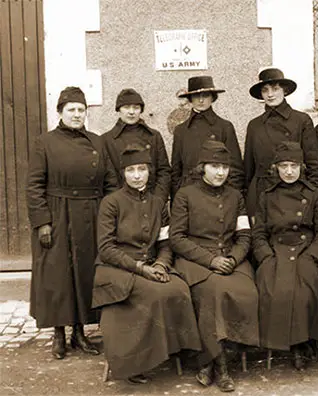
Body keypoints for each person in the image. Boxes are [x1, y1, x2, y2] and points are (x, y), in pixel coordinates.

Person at [92, 145, 201, 384]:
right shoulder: (111, 203)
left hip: (152, 265)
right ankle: (136, 361)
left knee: (179, 288)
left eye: (142, 169)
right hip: (117, 268)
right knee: (152, 294)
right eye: (131, 170)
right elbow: (106, 248)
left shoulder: (158, 203)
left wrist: (161, 265)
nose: (137, 175)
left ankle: (178, 351)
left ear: (150, 172)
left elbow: (165, 242)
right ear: (124, 173)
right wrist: (141, 269)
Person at [26, 86, 117, 360]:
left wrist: (107, 216)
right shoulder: (45, 142)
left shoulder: (97, 142)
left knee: (85, 274)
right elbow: (33, 186)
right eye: (71, 110)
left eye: (81, 110)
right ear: (60, 112)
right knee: (58, 276)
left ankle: (80, 332)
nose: (77, 115)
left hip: (90, 215)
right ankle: (58, 333)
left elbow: (111, 181)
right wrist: (43, 222)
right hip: (57, 215)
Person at [170, 140, 259, 392]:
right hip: (196, 261)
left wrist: (233, 258)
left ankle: (212, 360)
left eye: (224, 167)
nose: (220, 172)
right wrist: (210, 260)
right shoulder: (185, 195)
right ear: (202, 168)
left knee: (247, 292)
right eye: (214, 166)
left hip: (231, 259)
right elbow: (177, 238)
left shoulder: (235, 195)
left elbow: (245, 235)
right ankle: (219, 367)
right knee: (211, 294)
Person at [252, 142, 318, 370]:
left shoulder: (314, 195)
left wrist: (313, 255)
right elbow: (259, 233)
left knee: (305, 288)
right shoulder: (267, 196)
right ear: (276, 168)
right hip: (276, 253)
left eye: (293, 166)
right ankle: (278, 343)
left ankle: (302, 344)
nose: (288, 171)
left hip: (306, 252)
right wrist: (266, 256)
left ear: (301, 167)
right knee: (271, 286)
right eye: (284, 166)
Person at [244, 67, 318, 220]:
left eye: (275, 89)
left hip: (295, 191)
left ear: (285, 91)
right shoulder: (254, 125)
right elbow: (248, 167)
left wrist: (310, 195)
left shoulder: (301, 120)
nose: (270, 94)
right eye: (265, 90)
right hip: (262, 192)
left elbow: (314, 164)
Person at [171, 76, 244, 199]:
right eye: (196, 96)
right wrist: (178, 196)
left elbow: (235, 168)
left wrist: (230, 197)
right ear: (190, 99)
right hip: (189, 194)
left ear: (212, 97)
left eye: (205, 95)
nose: (201, 100)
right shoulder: (181, 130)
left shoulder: (224, 127)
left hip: (219, 194)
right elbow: (176, 170)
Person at [102, 88, 171, 204]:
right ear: (119, 110)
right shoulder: (107, 140)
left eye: (136, 107)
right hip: (122, 206)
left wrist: (158, 200)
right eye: (126, 107)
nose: (131, 112)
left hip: (151, 203)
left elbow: (164, 171)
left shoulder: (154, 136)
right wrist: (117, 204)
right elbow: (108, 178)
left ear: (141, 110)